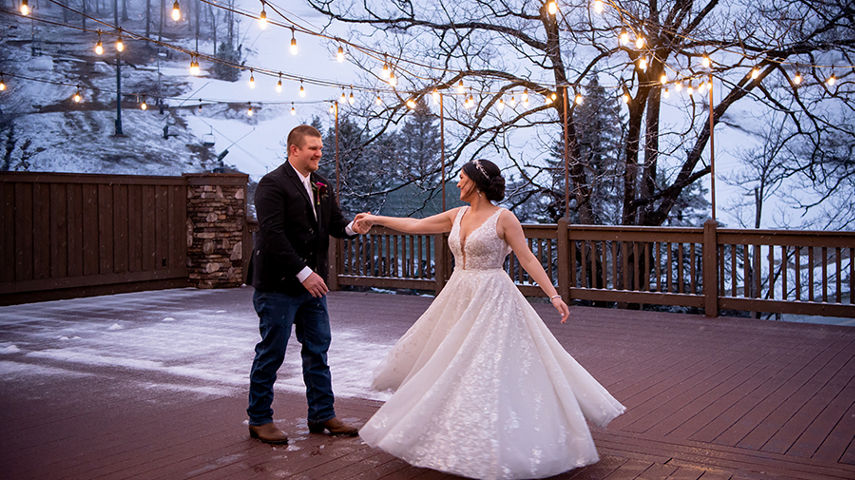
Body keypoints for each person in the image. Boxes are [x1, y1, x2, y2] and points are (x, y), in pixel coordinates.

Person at [354, 159, 626, 479]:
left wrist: (553, 295)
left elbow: (526, 257)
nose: (457, 183)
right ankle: (453, 431)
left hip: (493, 296)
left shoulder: (504, 218)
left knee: (487, 366)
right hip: (458, 294)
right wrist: (375, 219)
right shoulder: (457, 215)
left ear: (475, 184)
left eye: (461, 178)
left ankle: (501, 440)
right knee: (449, 361)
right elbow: (416, 225)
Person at [245, 125, 368, 444]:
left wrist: (354, 227)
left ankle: (322, 414)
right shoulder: (271, 184)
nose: (319, 153)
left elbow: (335, 226)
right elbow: (273, 236)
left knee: (318, 350)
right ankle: (259, 419)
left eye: (321, 148)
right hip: (278, 287)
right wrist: (304, 273)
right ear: (293, 150)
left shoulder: (323, 184)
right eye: (313, 148)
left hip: (312, 288)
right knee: (271, 352)